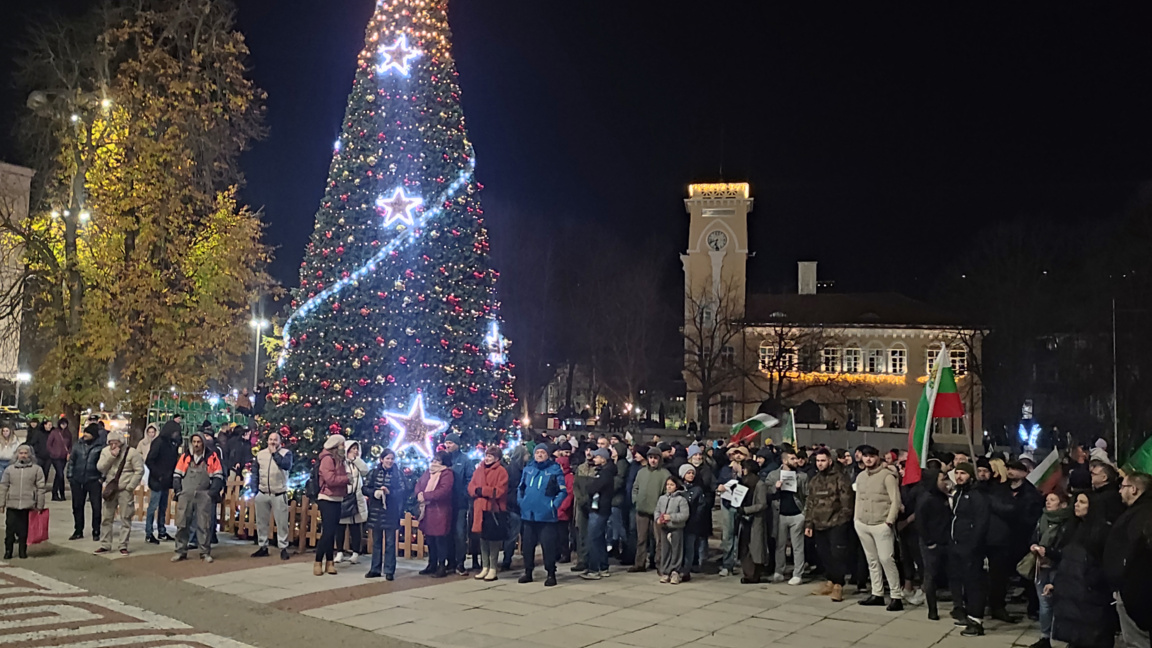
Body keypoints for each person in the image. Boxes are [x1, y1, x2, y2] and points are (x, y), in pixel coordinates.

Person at [1048, 492, 1114, 648]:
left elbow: (1108, 563)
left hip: (1091, 595)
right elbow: (1065, 559)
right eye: (1076, 501)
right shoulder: (1072, 528)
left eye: (1082, 502)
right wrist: (1055, 583)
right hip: (1071, 593)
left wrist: (1092, 580)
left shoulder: (1103, 530)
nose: (1077, 505)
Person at [853, 446, 904, 610]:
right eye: (865, 456)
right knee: (872, 560)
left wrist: (889, 521)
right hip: (863, 523)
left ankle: (896, 596)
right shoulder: (861, 476)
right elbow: (858, 498)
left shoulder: (887, 476)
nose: (868, 459)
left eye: (871, 456)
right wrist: (856, 519)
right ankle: (877, 593)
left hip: (881, 523)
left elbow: (895, 500)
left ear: (878, 457)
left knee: (886, 559)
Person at [1105, 472, 1152, 648]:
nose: (1119, 491)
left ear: (1133, 489)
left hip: (1135, 595)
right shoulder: (1140, 512)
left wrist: (1122, 587)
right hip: (1135, 592)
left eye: (1122, 486)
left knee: (1136, 642)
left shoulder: (1141, 515)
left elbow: (1131, 554)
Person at [804, 448, 855, 602]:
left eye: (823, 460)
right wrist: (809, 524)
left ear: (830, 461)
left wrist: (841, 520)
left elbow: (847, 502)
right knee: (823, 554)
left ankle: (838, 584)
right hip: (819, 523)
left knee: (837, 554)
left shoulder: (840, 478)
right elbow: (810, 502)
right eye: (818, 461)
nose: (820, 464)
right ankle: (830, 581)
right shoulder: (815, 480)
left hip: (836, 523)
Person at [1025, 491, 1072, 648]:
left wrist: (1049, 552)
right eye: (1047, 499)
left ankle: (1060, 636)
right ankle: (1045, 636)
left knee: (1058, 603)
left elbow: (1067, 548)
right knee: (1044, 603)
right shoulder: (1042, 518)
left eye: (1052, 500)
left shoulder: (1068, 523)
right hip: (1041, 566)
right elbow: (1035, 536)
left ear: (1062, 504)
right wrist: (1033, 545)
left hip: (1058, 566)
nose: (1048, 502)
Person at [948, 462, 988, 636]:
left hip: (970, 547)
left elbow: (981, 522)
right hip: (957, 544)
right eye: (957, 473)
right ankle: (967, 614)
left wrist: (973, 544)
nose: (959, 476)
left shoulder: (976, 495)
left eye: (963, 473)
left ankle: (976, 620)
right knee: (962, 580)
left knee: (974, 584)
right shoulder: (958, 493)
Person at [517, 443, 566, 586]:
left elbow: (562, 491)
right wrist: (521, 502)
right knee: (528, 546)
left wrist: (553, 505)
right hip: (529, 514)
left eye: (542, 452)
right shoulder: (528, 469)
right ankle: (528, 572)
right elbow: (521, 488)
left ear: (547, 455)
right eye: (537, 452)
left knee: (548, 546)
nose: (539, 454)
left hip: (546, 516)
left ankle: (551, 573)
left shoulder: (554, 469)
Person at [171, 432, 224, 563]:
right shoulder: (185, 457)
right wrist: (179, 492)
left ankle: (204, 552)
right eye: (194, 442)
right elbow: (177, 475)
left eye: (198, 442)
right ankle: (180, 551)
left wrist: (211, 493)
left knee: (204, 525)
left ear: (203, 443)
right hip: (186, 495)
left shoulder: (212, 457)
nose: (196, 444)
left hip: (204, 495)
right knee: (182, 524)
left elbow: (218, 477)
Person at [94, 431, 144, 555]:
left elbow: (139, 470)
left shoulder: (132, 453)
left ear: (121, 443)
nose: (113, 445)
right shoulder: (106, 451)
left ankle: (123, 545)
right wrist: (111, 456)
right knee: (106, 517)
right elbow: (100, 467)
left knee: (125, 518)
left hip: (125, 489)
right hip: (111, 489)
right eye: (111, 443)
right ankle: (105, 544)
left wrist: (130, 486)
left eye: (115, 443)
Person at [765, 448, 808, 585]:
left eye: (796, 458)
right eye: (792, 459)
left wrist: (804, 513)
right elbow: (766, 492)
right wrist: (775, 488)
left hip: (797, 514)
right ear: (784, 460)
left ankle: (798, 573)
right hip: (780, 514)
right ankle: (779, 571)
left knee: (797, 547)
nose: (796, 461)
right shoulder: (773, 475)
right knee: (780, 545)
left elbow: (807, 495)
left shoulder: (802, 476)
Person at [916, 466, 952, 620]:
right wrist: (929, 542)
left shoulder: (942, 496)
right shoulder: (926, 498)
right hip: (932, 543)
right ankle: (932, 609)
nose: (945, 482)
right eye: (942, 479)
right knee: (930, 575)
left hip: (945, 541)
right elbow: (920, 523)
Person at [364, 448, 407, 580]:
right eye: (387, 458)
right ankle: (375, 569)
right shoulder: (374, 472)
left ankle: (389, 570)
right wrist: (374, 493)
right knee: (376, 542)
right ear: (381, 459)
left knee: (390, 543)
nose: (390, 461)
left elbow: (403, 490)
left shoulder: (398, 474)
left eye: (392, 458)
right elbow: (365, 487)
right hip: (376, 512)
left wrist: (390, 493)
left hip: (391, 512)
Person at [249, 431, 293, 560]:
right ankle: (263, 546)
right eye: (270, 439)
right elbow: (255, 473)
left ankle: (283, 547)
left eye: (275, 439)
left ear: (280, 442)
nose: (272, 442)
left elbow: (286, 465)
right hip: (263, 492)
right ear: (267, 441)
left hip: (279, 493)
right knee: (261, 522)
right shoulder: (260, 454)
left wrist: (275, 454)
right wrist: (255, 490)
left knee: (282, 522)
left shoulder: (286, 453)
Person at [469, 446, 508, 581]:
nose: (487, 458)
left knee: (493, 540)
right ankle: (484, 566)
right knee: (483, 539)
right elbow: (471, 486)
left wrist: (483, 491)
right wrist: (476, 491)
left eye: (490, 456)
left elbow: (500, 491)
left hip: (493, 509)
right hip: (479, 509)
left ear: (497, 458)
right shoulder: (479, 470)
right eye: (486, 455)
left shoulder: (501, 471)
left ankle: (493, 568)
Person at [629, 446, 670, 573]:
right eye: (651, 457)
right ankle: (639, 563)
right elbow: (635, 487)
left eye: (655, 458)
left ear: (659, 459)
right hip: (641, 510)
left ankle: (660, 564)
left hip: (657, 512)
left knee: (659, 540)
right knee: (641, 539)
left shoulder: (665, 474)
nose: (653, 460)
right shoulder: (641, 472)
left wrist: (662, 508)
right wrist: (636, 500)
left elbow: (667, 492)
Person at [0, 445, 46, 559]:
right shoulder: (9, 470)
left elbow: (41, 488)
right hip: (12, 504)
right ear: (17, 455)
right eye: (21, 453)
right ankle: (8, 551)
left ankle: (22, 551)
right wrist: (1, 504)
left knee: (23, 530)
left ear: (30, 455)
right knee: (10, 530)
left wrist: (40, 505)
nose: (23, 455)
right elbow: (3, 487)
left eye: (25, 453)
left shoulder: (36, 469)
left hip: (28, 504)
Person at [312, 435, 348, 575]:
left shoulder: (340, 460)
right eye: (342, 444)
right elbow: (330, 479)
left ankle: (330, 562)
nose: (344, 447)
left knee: (332, 531)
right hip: (327, 497)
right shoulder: (327, 459)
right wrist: (347, 479)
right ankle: (318, 561)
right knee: (327, 532)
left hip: (337, 498)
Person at [416, 450, 454, 577]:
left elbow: (444, 490)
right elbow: (419, 484)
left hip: (440, 510)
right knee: (430, 539)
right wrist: (419, 493)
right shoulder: (428, 471)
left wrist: (426, 495)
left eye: (438, 460)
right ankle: (432, 564)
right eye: (434, 460)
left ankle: (442, 566)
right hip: (428, 510)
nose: (434, 462)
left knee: (440, 539)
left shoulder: (447, 473)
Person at [580, 447, 616, 580]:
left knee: (593, 539)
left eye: (596, 457)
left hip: (599, 509)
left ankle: (594, 569)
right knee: (599, 539)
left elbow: (593, 488)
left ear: (603, 459)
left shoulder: (605, 473)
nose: (594, 459)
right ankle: (603, 567)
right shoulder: (604, 471)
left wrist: (590, 485)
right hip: (599, 508)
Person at [66, 423, 106, 541]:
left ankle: (96, 531)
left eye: (88, 433)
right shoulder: (78, 445)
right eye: (85, 432)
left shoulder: (100, 447)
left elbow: (105, 464)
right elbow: (72, 461)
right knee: (77, 506)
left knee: (96, 507)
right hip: (77, 480)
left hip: (94, 480)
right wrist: (70, 476)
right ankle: (78, 530)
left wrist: (102, 478)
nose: (85, 435)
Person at [442, 433, 474, 575]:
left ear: (457, 444)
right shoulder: (444, 459)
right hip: (446, 504)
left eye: (450, 443)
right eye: (446, 443)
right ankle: (450, 561)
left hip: (460, 503)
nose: (448, 445)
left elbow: (470, 479)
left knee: (460, 533)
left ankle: (460, 562)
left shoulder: (465, 460)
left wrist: (464, 494)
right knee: (447, 532)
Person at [145, 418, 181, 544]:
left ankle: (161, 530)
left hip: (166, 480)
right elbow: (149, 460)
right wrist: (158, 475)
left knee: (163, 507)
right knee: (153, 507)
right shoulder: (159, 442)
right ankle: (149, 532)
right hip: (157, 480)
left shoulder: (172, 444)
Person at [736, 461, 770, 584]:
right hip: (744, 519)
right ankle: (747, 572)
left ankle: (754, 574)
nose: (742, 471)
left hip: (755, 519)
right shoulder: (742, 483)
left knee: (755, 547)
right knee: (744, 546)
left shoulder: (760, 484)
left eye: (744, 468)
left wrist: (746, 510)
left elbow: (762, 504)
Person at [336, 440, 368, 565]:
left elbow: (365, 471)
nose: (355, 451)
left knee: (356, 527)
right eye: (352, 448)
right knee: (340, 527)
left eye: (356, 448)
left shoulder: (358, 463)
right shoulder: (341, 462)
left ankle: (355, 553)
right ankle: (339, 552)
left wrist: (356, 460)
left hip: (356, 499)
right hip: (344, 498)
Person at [654, 475, 690, 584]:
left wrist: (671, 517)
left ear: (676, 486)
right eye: (667, 485)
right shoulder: (662, 498)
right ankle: (665, 572)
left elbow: (684, 515)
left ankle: (675, 572)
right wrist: (658, 519)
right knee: (665, 550)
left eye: (672, 485)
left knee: (676, 551)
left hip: (676, 528)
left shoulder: (681, 500)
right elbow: (657, 510)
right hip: (664, 528)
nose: (669, 487)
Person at [500, 444, 528, 572]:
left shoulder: (521, 468)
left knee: (518, 535)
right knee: (512, 535)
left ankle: (511, 559)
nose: (528, 456)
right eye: (526, 454)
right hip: (514, 506)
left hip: (519, 505)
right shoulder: (512, 470)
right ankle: (507, 560)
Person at [679, 463, 707, 580]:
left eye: (692, 473)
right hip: (680, 522)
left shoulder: (697, 490)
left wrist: (695, 518)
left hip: (692, 523)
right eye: (688, 473)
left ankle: (686, 570)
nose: (691, 475)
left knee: (690, 546)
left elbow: (701, 506)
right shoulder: (679, 489)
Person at [1088, 460, 1124, 524]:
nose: (1091, 476)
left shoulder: (1109, 497)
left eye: (1093, 474)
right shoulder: (1099, 494)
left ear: (1104, 477)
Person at [46, 419, 72, 501]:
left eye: (65, 424)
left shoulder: (68, 434)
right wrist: (53, 452)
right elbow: (49, 444)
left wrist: (69, 453)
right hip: (55, 457)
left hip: (64, 457)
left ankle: (56, 493)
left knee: (58, 475)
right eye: (62, 424)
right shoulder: (54, 432)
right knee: (60, 475)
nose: (63, 425)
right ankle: (59, 493)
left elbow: (70, 445)